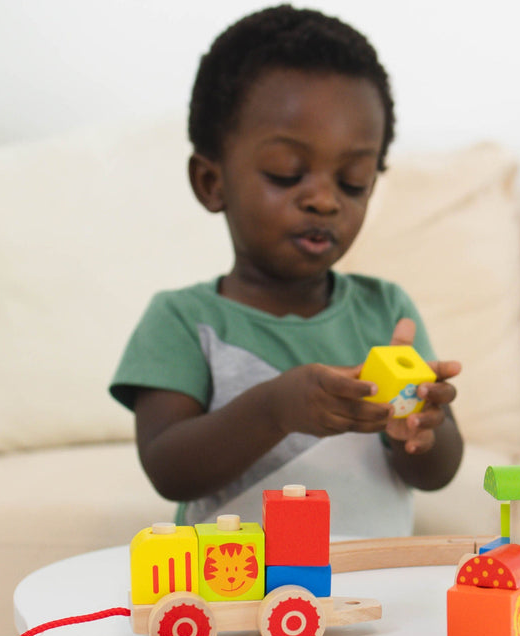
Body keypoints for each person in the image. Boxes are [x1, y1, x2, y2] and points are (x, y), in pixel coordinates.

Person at [110, 5, 463, 537]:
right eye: (286, 173)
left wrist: (421, 431)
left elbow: (437, 473)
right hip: (234, 580)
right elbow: (169, 469)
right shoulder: (182, 319)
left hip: (374, 579)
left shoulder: (387, 311)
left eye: (352, 180)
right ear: (212, 182)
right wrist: (275, 409)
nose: (324, 199)